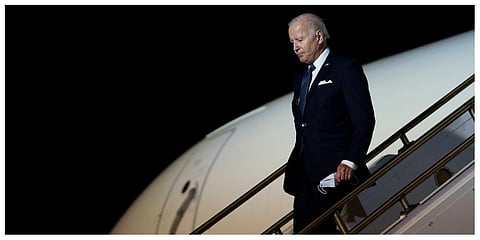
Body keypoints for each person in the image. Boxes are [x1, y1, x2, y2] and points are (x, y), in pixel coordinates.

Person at [283, 13, 375, 234]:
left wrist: (351, 160)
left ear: (318, 36)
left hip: (333, 173)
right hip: (305, 175)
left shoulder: (345, 68)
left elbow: (364, 120)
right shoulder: (301, 78)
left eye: (299, 40)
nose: (295, 47)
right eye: (292, 42)